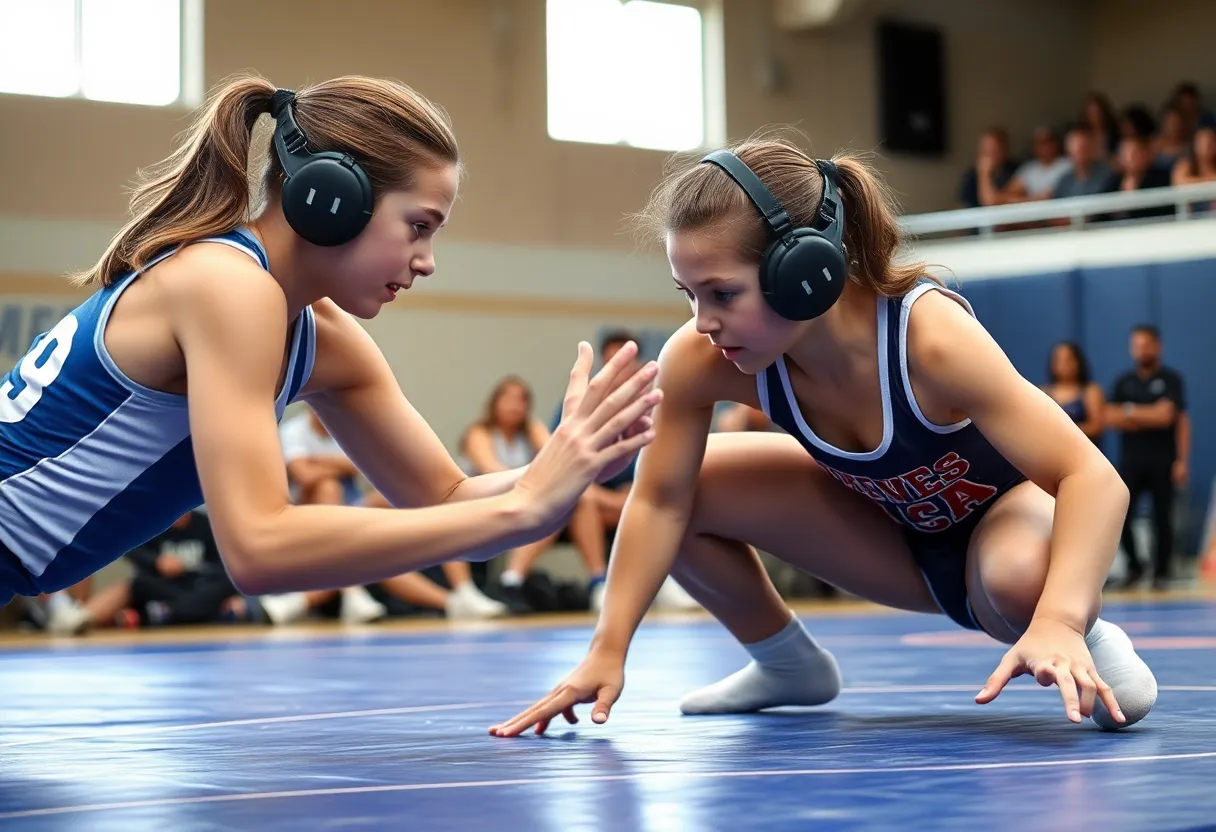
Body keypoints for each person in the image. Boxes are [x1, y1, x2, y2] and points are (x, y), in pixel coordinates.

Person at [490, 137, 1158, 739]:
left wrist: (1064, 617)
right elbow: (660, 501)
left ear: (804, 271)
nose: (703, 322)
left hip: (1007, 537)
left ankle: (1085, 635)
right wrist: (608, 646)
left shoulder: (927, 338)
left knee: (1020, 581)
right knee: (688, 482)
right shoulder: (702, 358)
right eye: (688, 294)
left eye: (722, 293)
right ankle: (787, 664)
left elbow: (1094, 478)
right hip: (890, 541)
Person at [0, 73, 660, 610]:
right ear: (328, 198)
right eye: (418, 226)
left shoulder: (320, 335)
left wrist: (565, 468)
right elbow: (259, 549)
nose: (428, 260)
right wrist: (522, 508)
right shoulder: (230, 288)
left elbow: (448, 502)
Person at [1104, 325, 1189, 589]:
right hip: (1132, 462)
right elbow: (1109, 416)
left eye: (1146, 344)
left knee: (1163, 518)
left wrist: (1182, 460)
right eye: (1137, 345)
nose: (1141, 349)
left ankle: (1161, 572)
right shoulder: (1123, 382)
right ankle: (1135, 568)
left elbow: (1172, 418)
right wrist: (1149, 413)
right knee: (1121, 515)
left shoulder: (1171, 379)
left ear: (1157, 346)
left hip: (1164, 461)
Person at [1041, 341, 1104, 443]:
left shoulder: (1090, 391)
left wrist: (1065, 432)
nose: (1063, 365)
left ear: (1077, 362)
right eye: (1058, 360)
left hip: (1082, 450)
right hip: (1050, 452)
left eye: (1067, 360)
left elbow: (1096, 427)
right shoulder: (1043, 392)